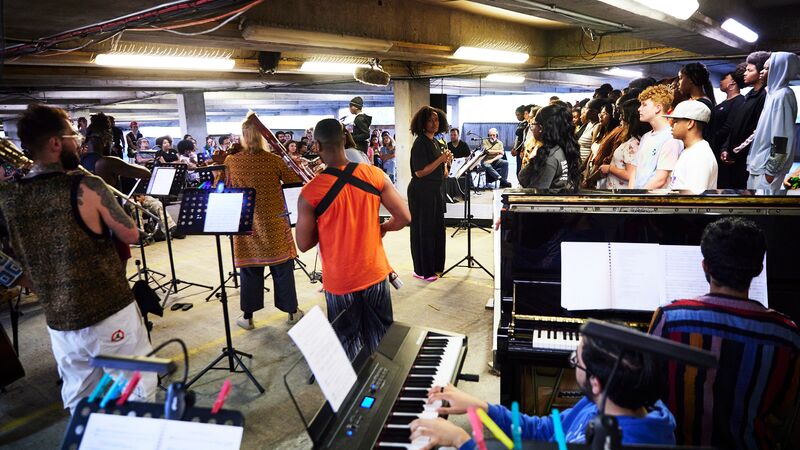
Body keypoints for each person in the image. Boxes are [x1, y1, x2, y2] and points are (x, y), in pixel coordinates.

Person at [0, 104, 156, 413]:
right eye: (73, 134)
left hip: (59, 321)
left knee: (81, 398)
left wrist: (20, 277)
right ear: (56, 144)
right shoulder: (87, 186)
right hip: (109, 311)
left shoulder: (7, 196)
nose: (79, 141)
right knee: (137, 389)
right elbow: (132, 235)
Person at [649, 217, 800, 448]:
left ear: (705, 267)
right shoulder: (787, 335)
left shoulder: (670, 318)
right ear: (759, 270)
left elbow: (647, 389)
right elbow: (785, 414)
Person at [409, 334, 675, 448]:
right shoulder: (607, 401)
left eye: (576, 361)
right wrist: (482, 408)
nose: (573, 364)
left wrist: (460, 439)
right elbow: (548, 431)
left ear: (597, 383)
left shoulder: (622, 442)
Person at [295, 119, 410, 359]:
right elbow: (404, 217)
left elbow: (303, 244)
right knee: (383, 341)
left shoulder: (311, 191)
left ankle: (357, 392)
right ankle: (384, 389)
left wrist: (326, 223)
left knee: (349, 345)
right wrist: (384, 227)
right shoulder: (374, 174)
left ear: (317, 146)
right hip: (375, 273)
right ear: (344, 140)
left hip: (340, 281)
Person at [225, 115, 304, 329]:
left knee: (250, 270)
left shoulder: (231, 161)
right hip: (273, 223)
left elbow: (225, 185)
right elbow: (294, 181)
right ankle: (291, 313)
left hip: (246, 223)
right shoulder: (274, 160)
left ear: (242, 136)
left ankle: (248, 318)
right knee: (282, 269)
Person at [408, 106, 452, 281]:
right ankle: (422, 270)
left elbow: (442, 171)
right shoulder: (420, 143)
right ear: (422, 123)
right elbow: (419, 172)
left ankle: (435, 266)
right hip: (421, 191)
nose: (435, 123)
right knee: (423, 231)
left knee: (436, 229)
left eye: (437, 119)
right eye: (431, 120)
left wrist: (446, 163)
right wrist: (440, 160)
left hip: (434, 190)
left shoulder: (435, 141)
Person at [746, 51, 800, 190]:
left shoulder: (783, 95)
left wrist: (771, 171)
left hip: (766, 170)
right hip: (759, 167)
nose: (762, 72)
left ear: (780, 69)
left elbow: (781, 137)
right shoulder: (773, 94)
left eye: (767, 68)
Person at [718, 51, 770, 189]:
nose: (745, 73)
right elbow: (735, 126)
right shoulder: (748, 96)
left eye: (749, 70)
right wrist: (725, 148)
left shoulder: (764, 97)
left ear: (760, 73)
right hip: (733, 157)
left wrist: (734, 151)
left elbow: (757, 131)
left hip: (745, 160)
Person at [629, 85, 684, 189]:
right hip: (637, 199)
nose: (639, 109)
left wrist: (637, 198)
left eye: (644, 105)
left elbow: (661, 179)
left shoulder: (671, 137)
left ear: (658, 108)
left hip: (652, 200)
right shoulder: (646, 137)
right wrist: (630, 195)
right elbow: (635, 170)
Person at [518, 105, 581, 190]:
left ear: (540, 128)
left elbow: (537, 194)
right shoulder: (561, 148)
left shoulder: (549, 158)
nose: (532, 128)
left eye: (533, 124)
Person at [664, 100, 718, 193]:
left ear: (690, 123)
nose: (671, 124)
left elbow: (693, 199)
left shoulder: (700, 156)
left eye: (676, 121)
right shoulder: (692, 150)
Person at [599, 99, 651, 189]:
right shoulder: (632, 140)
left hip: (622, 193)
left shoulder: (634, 143)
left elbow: (630, 174)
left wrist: (609, 168)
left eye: (622, 114)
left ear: (630, 117)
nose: (620, 118)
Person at [677, 62, 716, 140]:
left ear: (691, 79)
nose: (679, 83)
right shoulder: (695, 101)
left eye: (681, 78)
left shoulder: (702, 105)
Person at [511, 105, 528, 176]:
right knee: (518, 169)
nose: (517, 117)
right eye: (516, 115)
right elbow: (517, 138)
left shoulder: (526, 124)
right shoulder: (520, 124)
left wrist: (520, 149)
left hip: (522, 150)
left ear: (523, 114)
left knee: (522, 169)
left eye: (518, 115)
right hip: (518, 149)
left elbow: (524, 139)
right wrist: (514, 148)